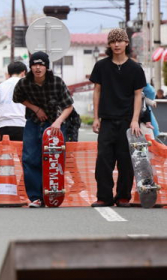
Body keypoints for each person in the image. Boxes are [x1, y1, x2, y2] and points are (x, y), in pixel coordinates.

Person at [89, 28, 146, 207]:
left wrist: (135, 119)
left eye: (120, 41)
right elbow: (97, 91)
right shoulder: (101, 66)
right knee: (103, 161)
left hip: (127, 122)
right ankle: (104, 197)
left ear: (126, 43)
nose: (116, 44)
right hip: (106, 120)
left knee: (126, 161)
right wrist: (96, 117)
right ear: (109, 44)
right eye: (113, 41)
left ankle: (123, 197)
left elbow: (138, 95)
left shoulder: (135, 68)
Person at [12, 50, 75, 207]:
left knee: (53, 159)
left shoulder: (57, 82)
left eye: (41, 64)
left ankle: (52, 193)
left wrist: (58, 122)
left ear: (47, 67)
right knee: (30, 158)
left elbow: (69, 107)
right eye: (34, 64)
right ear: (30, 67)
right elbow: (17, 98)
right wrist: (35, 108)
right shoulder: (24, 82)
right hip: (33, 122)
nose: (37, 68)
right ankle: (35, 197)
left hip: (55, 124)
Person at [0, 60, 27, 142]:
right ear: (23, 73)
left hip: (4, 127)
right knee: (23, 153)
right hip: (23, 126)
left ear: (9, 74)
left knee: (7, 154)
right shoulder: (28, 86)